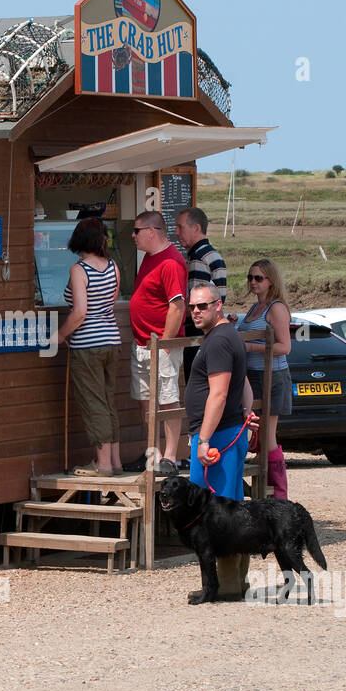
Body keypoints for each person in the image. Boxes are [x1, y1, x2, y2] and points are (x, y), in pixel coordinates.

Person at [183, 281, 254, 599]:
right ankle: (233, 583)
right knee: (232, 510)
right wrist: (247, 415)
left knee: (218, 515)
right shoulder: (227, 336)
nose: (196, 311)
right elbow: (245, 384)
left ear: (218, 305)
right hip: (228, 432)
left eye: (203, 306)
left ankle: (224, 587)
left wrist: (203, 440)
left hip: (217, 440)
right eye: (192, 306)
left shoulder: (219, 341)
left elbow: (221, 392)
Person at [55, 218, 124, 476]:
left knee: (93, 402)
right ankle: (115, 461)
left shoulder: (79, 269)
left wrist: (59, 335)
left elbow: (80, 312)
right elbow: (109, 303)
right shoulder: (113, 266)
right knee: (107, 400)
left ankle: (103, 464)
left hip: (87, 343)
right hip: (111, 339)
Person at [128, 210, 187, 474]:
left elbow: (177, 305)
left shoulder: (171, 262)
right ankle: (154, 454)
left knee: (167, 400)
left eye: (137, 231)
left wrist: (164, 343)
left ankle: (170, 457)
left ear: (152, 232)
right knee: (146, 401)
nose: (133, 236)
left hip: (161, 345)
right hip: (142, 342)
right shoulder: (149, 259)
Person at [235, 259, 292, 498]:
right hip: (254, 376)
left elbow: (284, 347)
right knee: (258, 435)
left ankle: (279, 494)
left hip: (273, 375)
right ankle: (266, 493)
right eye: (250, 277)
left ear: (270, 281)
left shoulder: (276, 308)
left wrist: (250, 347)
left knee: (268, 437)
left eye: (259, 278)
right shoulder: (254, 308)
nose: (253, 282)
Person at [176, 206, 227, 377]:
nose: (176, 232)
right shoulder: (214, 255)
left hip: (199, 335)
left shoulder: (198, 258)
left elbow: (197, 305)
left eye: (180, 227)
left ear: (196, 228)